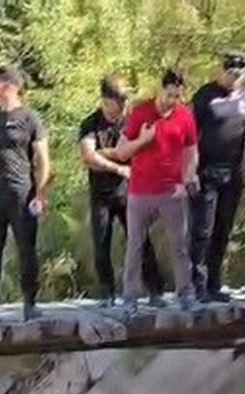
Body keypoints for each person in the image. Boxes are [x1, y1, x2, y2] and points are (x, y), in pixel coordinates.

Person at [113, 70, 198, 313]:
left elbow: (191, 150)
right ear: (160, 90)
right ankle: (130, 296)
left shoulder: (185, 116)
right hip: (141, 190)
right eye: (169, 94)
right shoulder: (141, 112)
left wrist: (187, 176)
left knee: (179, 244)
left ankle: (185, 293)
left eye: (177, 96)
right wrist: (143, 140)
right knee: (135, 244)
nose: (172, 100)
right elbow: (121, 152)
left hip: (171, 190)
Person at [77, 75, 164, 306]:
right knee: (101, 243)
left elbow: (141, 151)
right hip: (101, 194)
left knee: (140, 240)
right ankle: (107, 294)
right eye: (120, 100)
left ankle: (155, 290)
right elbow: (88, 157)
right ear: (106, 100)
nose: (125, 104)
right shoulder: (91, 123)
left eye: (126, 99)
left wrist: (106, 152)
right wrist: (118, 164)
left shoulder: (133, 121)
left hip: (131, 192)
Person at [0, 65, 51, 321]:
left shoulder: (30, 118)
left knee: (26, 250)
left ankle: (30, 303)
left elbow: (43, 159)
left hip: (22, 193)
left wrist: (40, 192)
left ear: (9, 86)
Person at [189, 51, 245, 303]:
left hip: (233, 174)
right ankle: (198, 284)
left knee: (223, 230)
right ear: (222, 70)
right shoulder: (206, 95)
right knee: (202, 231)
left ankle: (215, 283)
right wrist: (191, 171)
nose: (234, 78)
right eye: (230, 73)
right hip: (206, 172)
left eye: (239, 74)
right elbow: (190, 137)